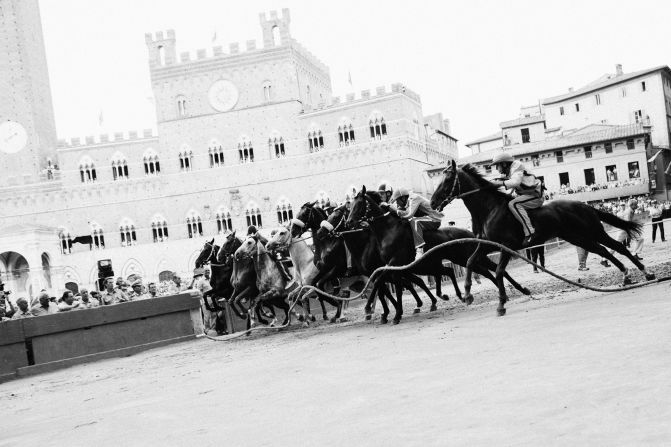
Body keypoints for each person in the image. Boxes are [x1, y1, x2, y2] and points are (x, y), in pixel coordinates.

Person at [489, 152, 544, 246]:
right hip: (526, 195)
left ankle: (530, 233)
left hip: (535, 196)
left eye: (497, 166)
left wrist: (497, 183)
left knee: (513, 204)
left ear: (504, 164)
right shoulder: (509, 170)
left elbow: (515, 182)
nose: (496, 168)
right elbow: (500, 180)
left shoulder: (517, 165)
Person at [390, 187, 444, 257]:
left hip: (435, 219)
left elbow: (408, 214)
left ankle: (420, 250)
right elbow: (401, 212)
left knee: (414, 221)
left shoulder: (413, 198)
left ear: (403, 198)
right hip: (427, 218)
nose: (397, 204)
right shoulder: (407, 201)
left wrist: (395, 210)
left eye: (397, 201)